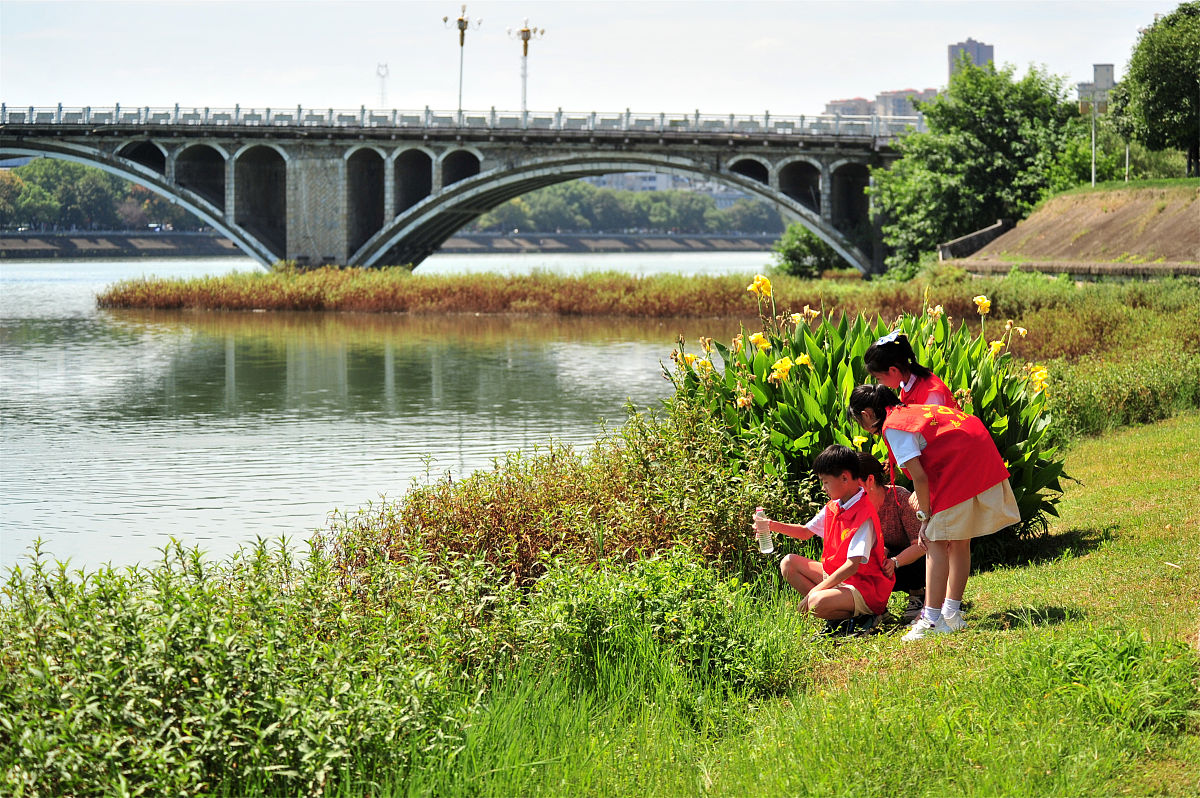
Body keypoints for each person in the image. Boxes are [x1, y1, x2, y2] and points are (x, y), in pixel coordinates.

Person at [848, 385, 1020, 642]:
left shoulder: (894, 425)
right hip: (977, 460)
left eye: (860, 420)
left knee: (934, 542)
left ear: (868, 413)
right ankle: (951, 614)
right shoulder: (908, 411)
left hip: (959, 470)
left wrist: (924, 517)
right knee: (960, 542)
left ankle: (931, 620)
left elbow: (919, 476)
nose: (863, 426)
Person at [753, 445, 894, 633]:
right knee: (789, 563)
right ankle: (838, 613)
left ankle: (864, 617)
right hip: (840, 578)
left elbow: (852, 566)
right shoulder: (834, 506)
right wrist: (770, 525)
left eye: (826, 482)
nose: (823, 487)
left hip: (864, 587)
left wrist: (815, 591)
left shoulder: (864, 514)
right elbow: (805, 532)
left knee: (815, 602)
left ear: (844, 478)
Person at [857, 452, 926, 624]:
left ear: (870, 481)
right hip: (885, 562)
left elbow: (921, 544)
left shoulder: (899, 497)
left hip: (913, 562)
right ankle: (877, 607)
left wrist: (895, 561)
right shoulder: (856, 506)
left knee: (914, 550)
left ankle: (918, 595)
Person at [864, 331, 960, 410]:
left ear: (893, 370)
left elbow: (931, 430)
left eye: (878, 378)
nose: (879, 383)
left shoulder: (930, 393)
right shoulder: (906, 384)